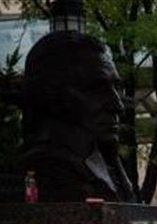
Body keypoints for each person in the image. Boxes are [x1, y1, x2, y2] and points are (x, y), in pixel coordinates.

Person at [23, 31, 135, 202]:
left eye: (116, 89)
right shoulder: (46, 172)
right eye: (98, 88)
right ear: (54, 94)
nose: (118, 106)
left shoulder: (104, 165)